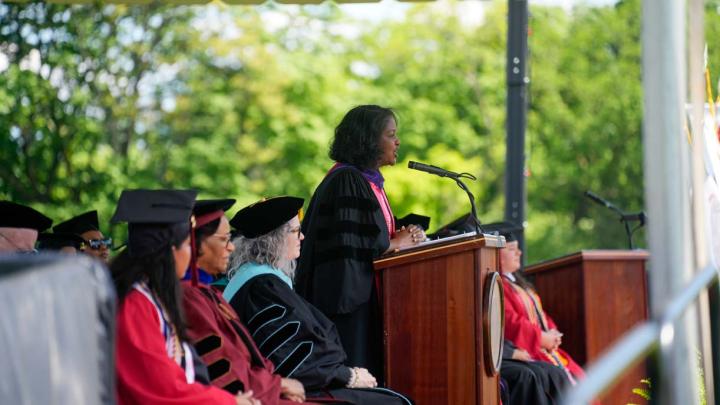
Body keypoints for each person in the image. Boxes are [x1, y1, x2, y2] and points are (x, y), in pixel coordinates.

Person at [225, 196, 413, 405]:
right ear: (274, 239)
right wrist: (346, 376)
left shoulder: (256, 279)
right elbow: (287, 354)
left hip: (288, 383)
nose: (303, 237)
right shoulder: (263, 287)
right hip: (282, 390)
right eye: (296, 231)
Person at [295, 105, 425, 379]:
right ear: (368, 140)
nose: (397, 141)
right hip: (348, 309)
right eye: (391, 135)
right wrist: (395, 243)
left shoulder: (367, 182)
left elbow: (364, 234)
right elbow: (351, 244)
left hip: (364, 302)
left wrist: (405, 237)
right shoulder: (346, 181)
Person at [109, 189, 259, 405]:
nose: (191, 254)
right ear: (169, 251)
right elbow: (164, 391)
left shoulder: (150, 298)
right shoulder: (135, 305)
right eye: (188, 245)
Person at [180, 198, 310, 404]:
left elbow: (243, 354)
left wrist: (274, 382)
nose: (232, 247)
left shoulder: (208, 293)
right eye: (224, 239)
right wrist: (276, 385)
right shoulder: (191, 297)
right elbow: (221, 365)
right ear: (197, 244)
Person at [493, 222, 584, 384]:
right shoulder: (497, 286)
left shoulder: (518, 284)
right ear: (497, 254)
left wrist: (552, 332)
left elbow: (539, 314)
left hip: (542, 347)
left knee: (580, 380)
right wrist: (542, 338)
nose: (519, 253)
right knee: (564, 381)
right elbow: (510, 322)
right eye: (512, 249)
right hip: (527, 348)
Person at [500, 339, 568, 404]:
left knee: (552, 371)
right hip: (493, 359)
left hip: (502, 349)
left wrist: (513, 349)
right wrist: (510, 353)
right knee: (525, 375)